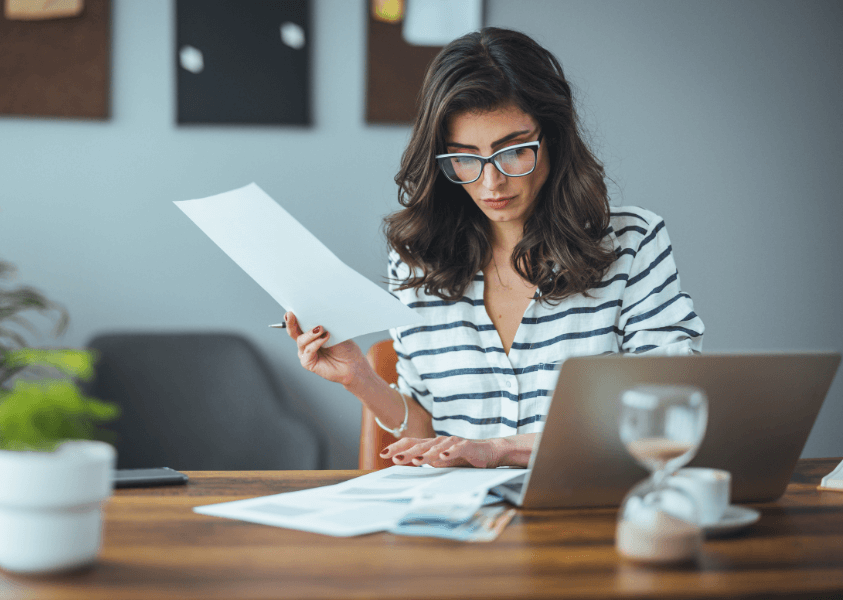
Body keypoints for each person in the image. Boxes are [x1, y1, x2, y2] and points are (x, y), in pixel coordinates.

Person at [285, 27, 703, 469]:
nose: (491, 183)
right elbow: (426, 434)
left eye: (514, 151)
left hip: (585, 515)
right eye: (464, 157)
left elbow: (666, 414)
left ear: (554, 139)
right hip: (458, 523)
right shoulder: (416, 260)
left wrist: (500, 449)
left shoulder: (632, 242)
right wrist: (360, 378)